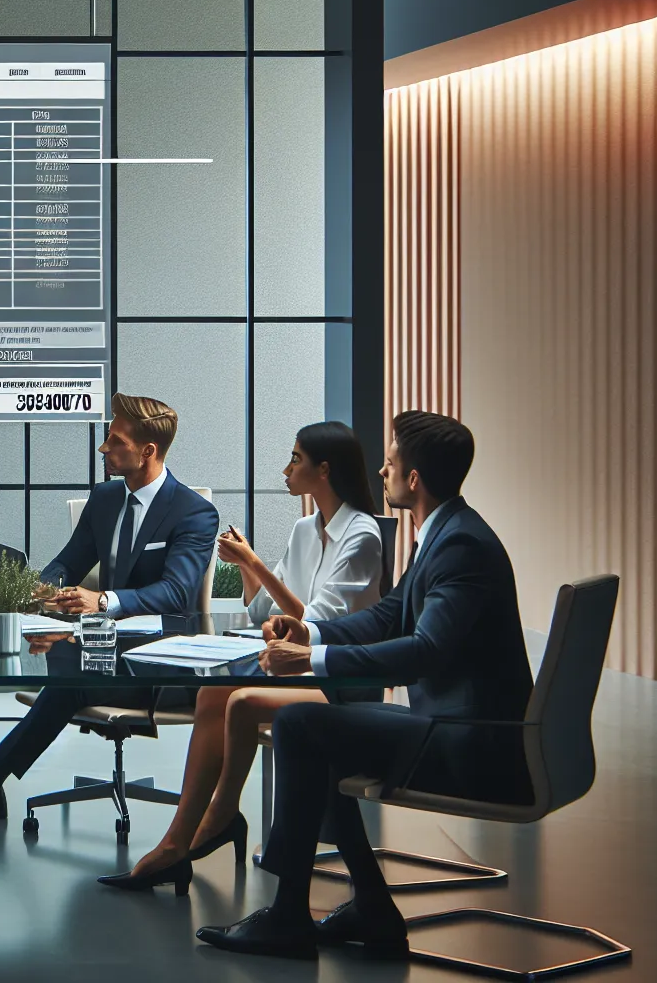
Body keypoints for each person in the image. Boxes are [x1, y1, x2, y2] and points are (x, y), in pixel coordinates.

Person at [197, 412, 534, 962]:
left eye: (393, 461)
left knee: (302, 722)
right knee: (318, 729)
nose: (383, 470)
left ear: (415, 478)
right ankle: (371, 902)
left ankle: (288, 915)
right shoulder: (445, 534)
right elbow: (389, 615)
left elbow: (424, 651)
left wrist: (314, 658)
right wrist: (311, 631)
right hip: (454, 727)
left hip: (473, 743)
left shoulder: (460, 546)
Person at [103, 421, 385, 894]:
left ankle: (202, 828)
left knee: (228, 696)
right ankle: (191, 834)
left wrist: (253, 564)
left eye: (295, 459)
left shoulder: (363, 536)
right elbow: (263, 611)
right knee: (215, 689)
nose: (286, 469)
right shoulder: (303, 529)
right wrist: (248, 570)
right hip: (290, 665)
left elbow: (314, 627)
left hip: (334, 679)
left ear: (324, 470)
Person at [0, 394, 219, 819]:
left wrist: (103, 600)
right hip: (105, 645)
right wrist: (43, 587)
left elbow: (177, 593)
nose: (104, 448)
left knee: (71, 678)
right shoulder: (106, 498)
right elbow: (70, 559)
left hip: (162, 659)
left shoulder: (195, 513)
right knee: (45, 652)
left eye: (115, 440)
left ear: (148, 451)